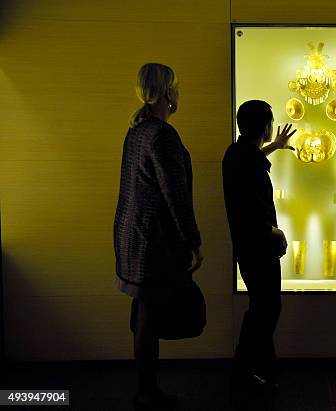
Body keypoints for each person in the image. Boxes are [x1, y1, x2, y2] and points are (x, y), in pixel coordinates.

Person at [114, 63, 203, 410]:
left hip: (132, 235)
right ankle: (147, 393)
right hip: (153, 240)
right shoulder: (162, 135)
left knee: (144, 317)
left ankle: (146, 390)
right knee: (148, 320)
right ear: (168, 92)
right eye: (177, 88)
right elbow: (175, 194)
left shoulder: (136, 130)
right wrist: (193, 241)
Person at [222, 100, 295, 390]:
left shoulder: (237, 152)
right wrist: (274, 232)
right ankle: (246, 369)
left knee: (262, 305)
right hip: (258, 245)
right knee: (266, 307)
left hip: (248, 244)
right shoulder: (247, 160)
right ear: (265, 127)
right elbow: (249, 210)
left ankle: (261, 366)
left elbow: (252, 159)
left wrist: (274, 146)